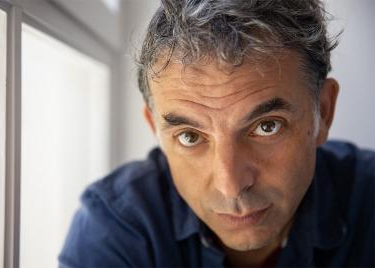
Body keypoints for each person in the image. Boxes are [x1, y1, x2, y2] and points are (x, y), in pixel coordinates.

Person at [60, 0, 373, 267]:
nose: (231, 186)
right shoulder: (116, 230)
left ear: (324, 111)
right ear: (155, 129)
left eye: (267, 126)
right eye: (190, 136)